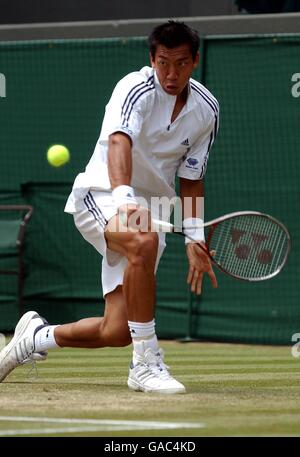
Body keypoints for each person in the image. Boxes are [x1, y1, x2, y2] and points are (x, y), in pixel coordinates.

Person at [0, 20, 219, 394]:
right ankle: (145, 364)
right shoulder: (133, 89)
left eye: (181, 63)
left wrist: (194, 238)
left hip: (154, 209)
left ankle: (35, 337)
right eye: (163, 62)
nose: (171, 73)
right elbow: (120, 143)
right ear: (152, 58)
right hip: (103, 194)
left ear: (195, 61)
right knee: (143, 240)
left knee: (117, 329)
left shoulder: (206, 110)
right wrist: (125, 203)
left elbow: (192, 178)